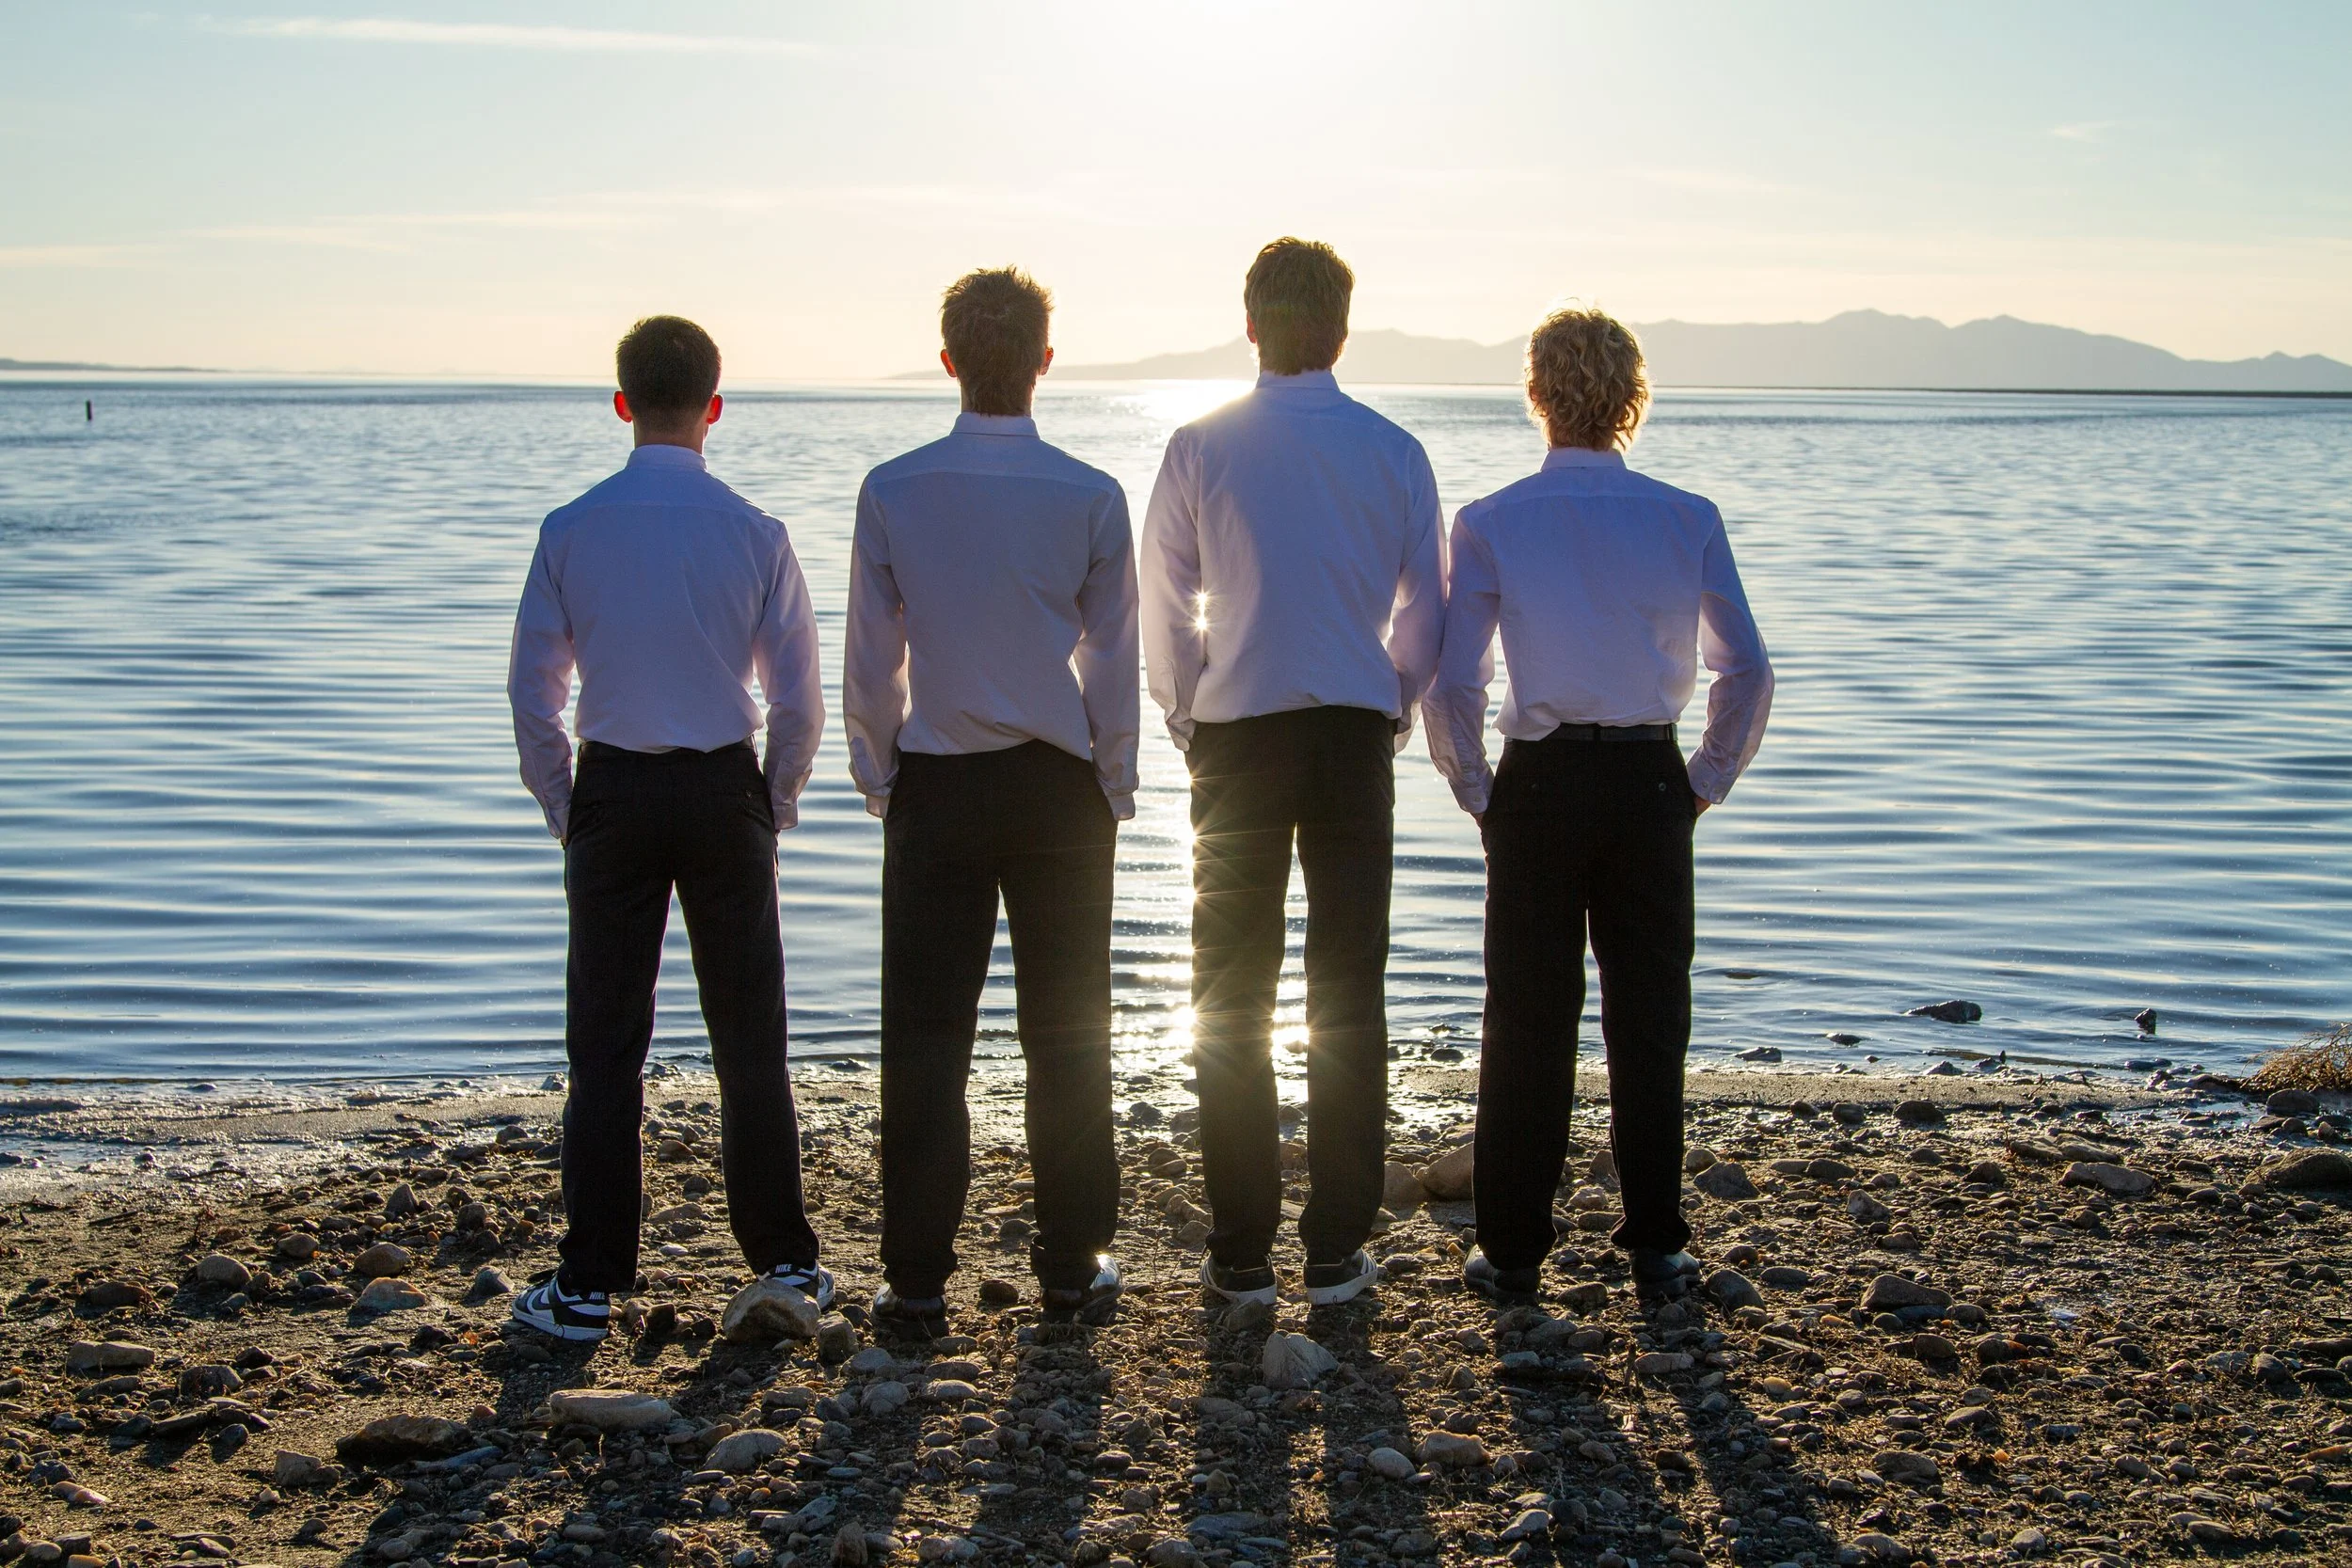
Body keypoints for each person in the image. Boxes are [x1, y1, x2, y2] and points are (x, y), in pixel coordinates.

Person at [1425, 306, 1773, 1304]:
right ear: (1633, 398)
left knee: (1527, 1018)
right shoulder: (1684, 514)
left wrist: (1478, 790)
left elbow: (1453, 684)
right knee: (1650, 1015)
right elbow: (1744, 669)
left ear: (1538, 396)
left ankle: (1513, 1247)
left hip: (1538, 782)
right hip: (1645, 781)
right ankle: (1657, 1243)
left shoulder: (1491, 520)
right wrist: (1701, 781)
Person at [506, 315, 830, 1341]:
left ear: (621, 403)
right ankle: (784, 1259)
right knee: (750, 1041)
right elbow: (800, 700)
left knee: (606, 1047)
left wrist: (569, 804)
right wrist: (769, 805)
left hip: (614, 791)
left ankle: (590, 1284)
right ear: (714, 407)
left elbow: (531, 691)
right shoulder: (755, 531)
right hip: (721, 788)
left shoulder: (572, 527)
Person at [1140, 238, 1444, 1308]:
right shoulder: (1394, 450)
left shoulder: (1198, 446)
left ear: (1251, 321)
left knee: (1230, 993)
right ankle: (1331, 1248)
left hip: (1236, 739)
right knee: (1347, 989)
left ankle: (1238, 1253)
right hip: (1353, 735)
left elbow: (1164, 606)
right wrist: (1393, 703)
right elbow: (1428, 613)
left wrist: (1187, 714)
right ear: (1342, 329)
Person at [844, 268, 1137, 1336]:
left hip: (939, 783)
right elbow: (1113, 660)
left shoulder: (894, 488)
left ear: (949, 358)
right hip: (1059, 788)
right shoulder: (1092, 494)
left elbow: (872, 661)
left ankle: (916, 1279)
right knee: (1069, 1034)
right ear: (1044, 361)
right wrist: (1114, 780)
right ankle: (1069, 1264)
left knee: (926, 1037)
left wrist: (878, 773)